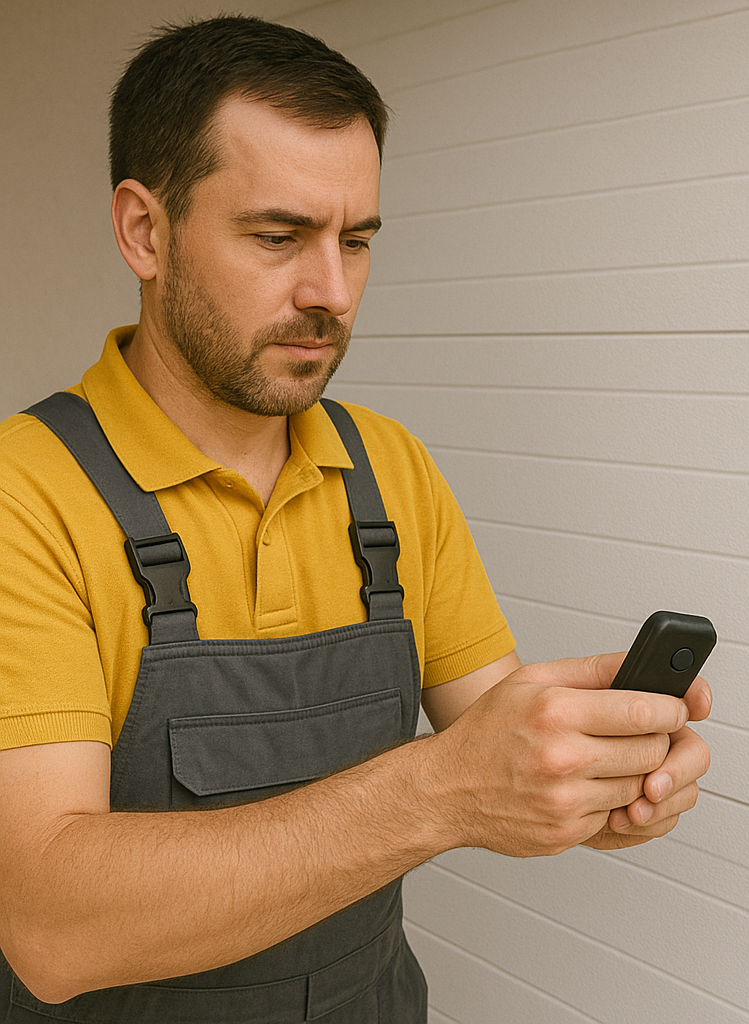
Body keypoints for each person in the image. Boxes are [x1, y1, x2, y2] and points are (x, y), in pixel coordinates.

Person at [0, 16, 712, 1023]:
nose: (330, 293)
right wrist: (439, 791)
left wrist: (587, 775)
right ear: (144, 232)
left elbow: (487, 739)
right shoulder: (25, 497)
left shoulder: (390, 469)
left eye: (358, 240)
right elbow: (49, 929)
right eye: (278, 236)